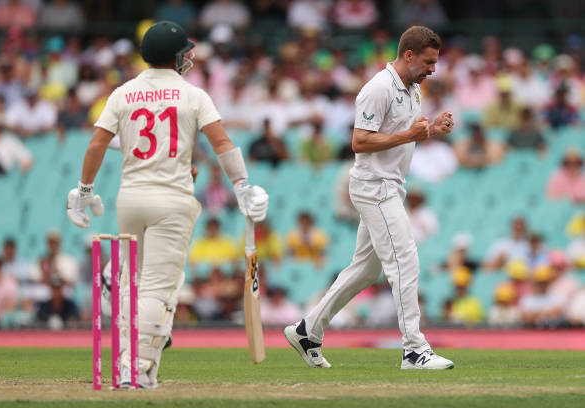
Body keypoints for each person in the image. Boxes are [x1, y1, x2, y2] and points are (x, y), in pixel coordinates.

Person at [66, 21, 268, 389]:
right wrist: (242, 186)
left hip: (130, 198)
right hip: (171, 201)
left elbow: (97, 145)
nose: (189, 58)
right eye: (185, 52)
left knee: (136, 282)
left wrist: (83, 191)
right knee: (158, 287)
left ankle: (130, 345)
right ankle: (135, 368)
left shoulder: (122, 94)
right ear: (175, 57)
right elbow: (221, 143)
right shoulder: (194, 95)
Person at [284, 26, 454, 370]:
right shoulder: (377, 89)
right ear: (408, 55)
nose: (433, 69)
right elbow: (359, 141)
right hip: (373, 185)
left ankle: (307, 329)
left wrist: (431, 130)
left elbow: (401, 137)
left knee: (364, 270)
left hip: (390, 186)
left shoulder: (414, 90)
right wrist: (409, 133)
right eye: (428, 61)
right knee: (405, 260)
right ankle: (414, 349)